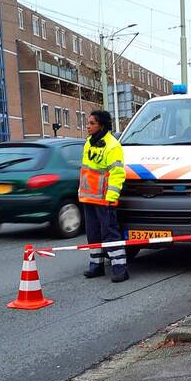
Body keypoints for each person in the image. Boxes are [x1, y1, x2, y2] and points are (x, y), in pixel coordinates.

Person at [78, 110, 128, 282]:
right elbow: (87, 170)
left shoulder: (112, 146)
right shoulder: (88, 143)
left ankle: (120, 268)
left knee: (110, 234)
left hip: (104, 198)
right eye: (88, 123)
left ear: (102, 125)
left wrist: (111, 197)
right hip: (88, 197)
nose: (88, 126)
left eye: (92, 123)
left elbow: (117, 173)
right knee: (93, 234)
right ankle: (96, 265)